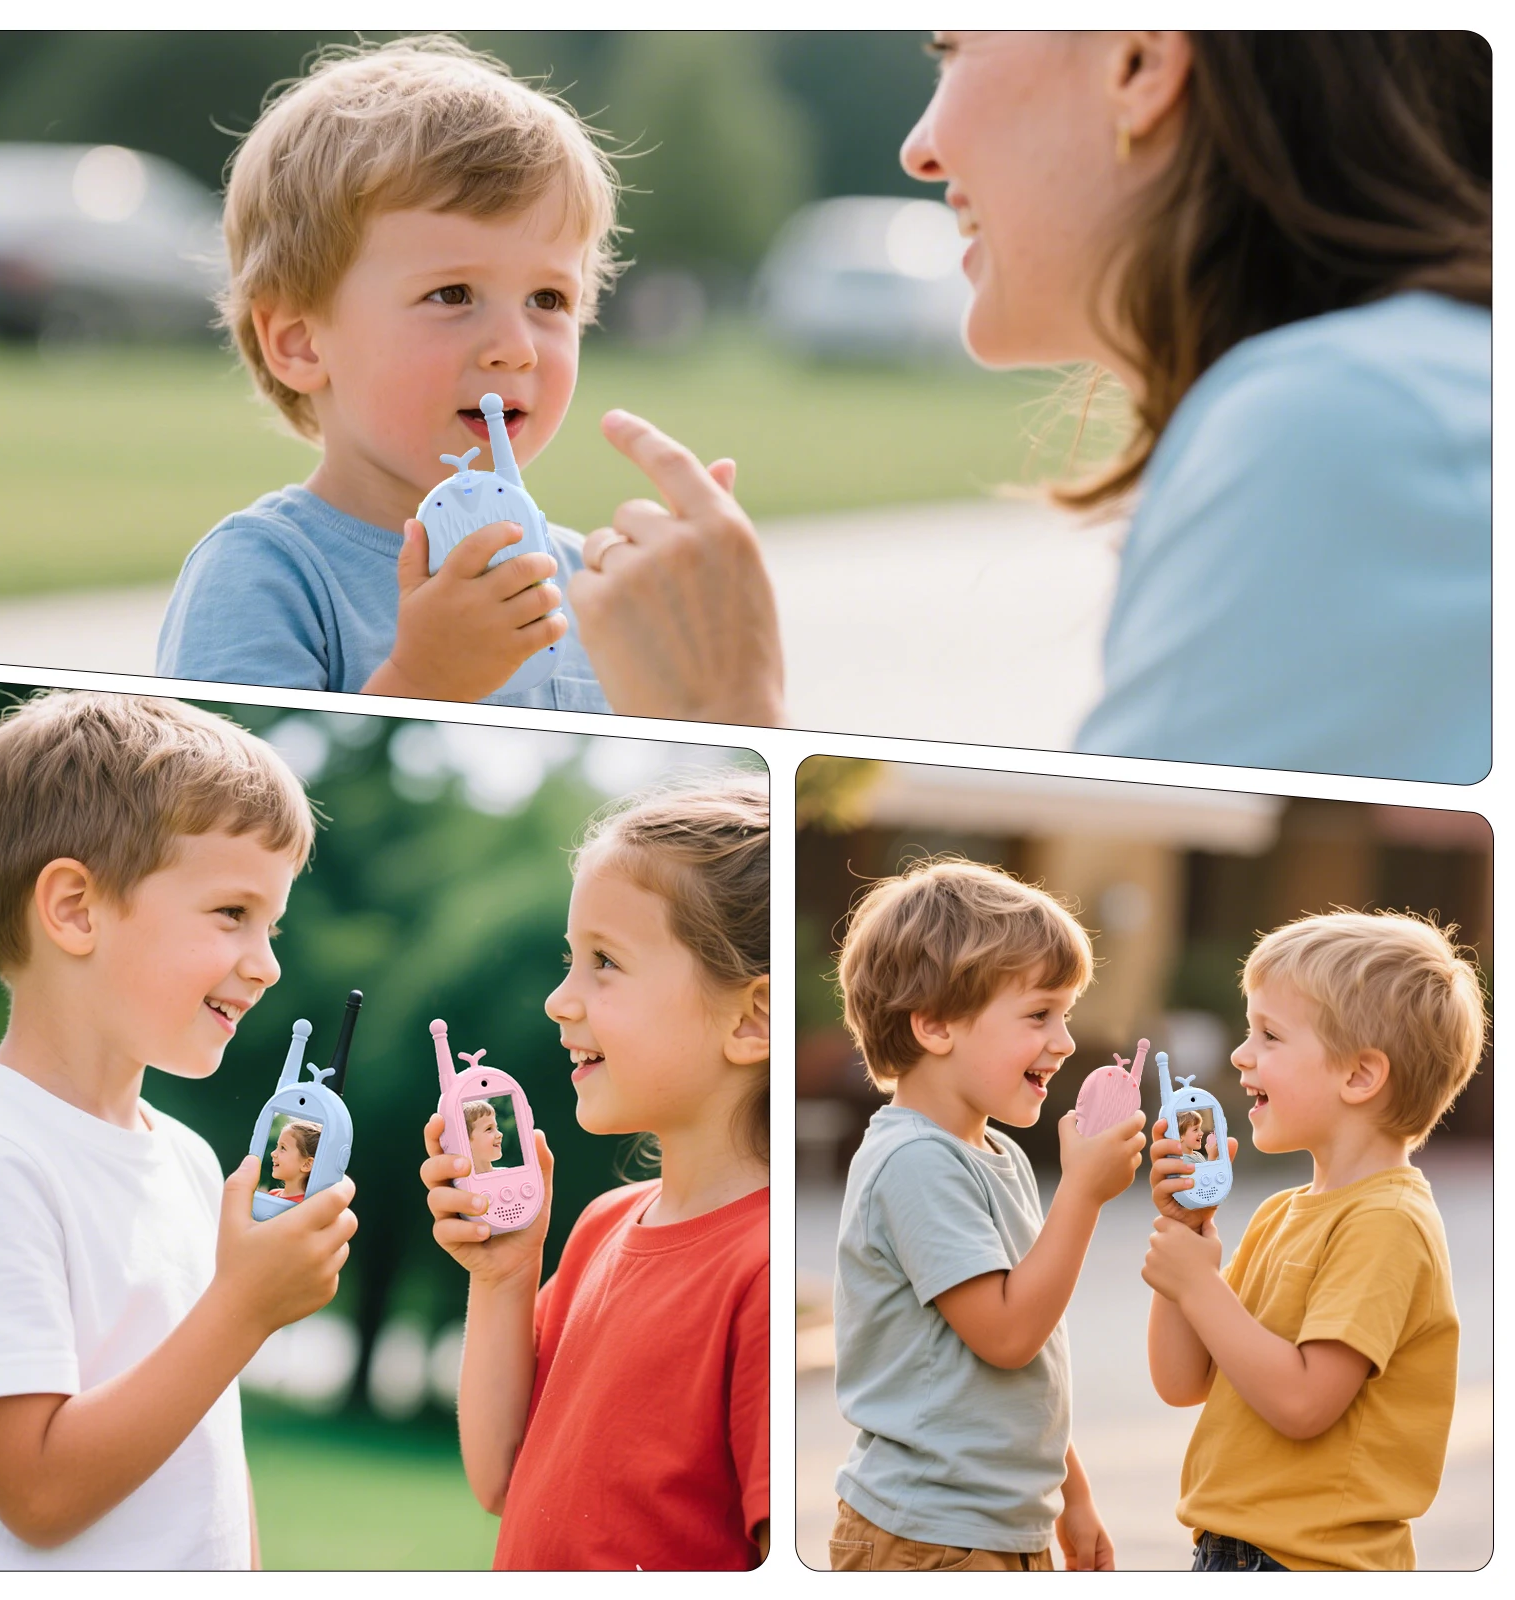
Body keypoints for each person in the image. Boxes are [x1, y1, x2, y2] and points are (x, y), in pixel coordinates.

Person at [569, 33, 1490, 784]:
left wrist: (721, 710)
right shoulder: (1395, 395)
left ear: (1138, 62)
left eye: (952, 49)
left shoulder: (1339, 429)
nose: (918, 144)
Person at [0, 692, 358, 1569]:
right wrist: (244, 1309)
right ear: (76, 911)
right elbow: (37, 1494)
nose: (268, 962)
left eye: (272, 924)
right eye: (232, 914)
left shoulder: (193, 1160)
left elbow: (209, 1447)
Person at [157, 37, 630, 712]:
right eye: (453, 294)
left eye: (549, 299)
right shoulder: (265, 576)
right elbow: (247, 811)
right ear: (300, 343)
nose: (516, 348)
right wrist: (425, 681)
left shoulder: (594, 586)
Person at [419, 779, 769, 1569]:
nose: (557, 1001)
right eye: (570, 960)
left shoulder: (760, 1271)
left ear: (751, 1020)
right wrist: (505, 1275)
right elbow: (498, 1475)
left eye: (604, 962)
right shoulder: (602, 1226)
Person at [1143, 911, 1485, 1570]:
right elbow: (1182, 1381)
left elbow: (1303, 1402)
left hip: (1314, 1563)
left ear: (1359, 1076)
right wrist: (1188, 1236)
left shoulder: (1388, 1223)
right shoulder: (1282, 1212)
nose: (1242, 1054)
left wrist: (1199, 1285)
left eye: (1269, 1034)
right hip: (1230, 1549)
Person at [828, 859, 1144, 1572]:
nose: (1064, 1040)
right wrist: (1083, 1196)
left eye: (1064, 1014)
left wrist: (1072, 1493)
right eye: (1039, 1015)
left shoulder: (992, 1152)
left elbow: (1017, 1374)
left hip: (995, 1528)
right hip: (926, 1536)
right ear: (935, 1026)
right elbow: (1006, 1333)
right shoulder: (915, 1162)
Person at [266, 1119, 321, 1200]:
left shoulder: (308, 1206)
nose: (273, 1153)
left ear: (307, 1164)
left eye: (283, 1148)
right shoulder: (272, 1194)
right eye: (277, 1146)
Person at [463, 1100, 503, 1173]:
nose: (500, 1134)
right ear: (465, 1139)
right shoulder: (460, 1183)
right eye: (489, 1129)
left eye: (497, 1128)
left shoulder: (507, 1174)